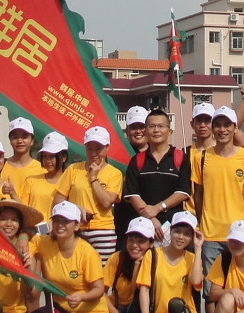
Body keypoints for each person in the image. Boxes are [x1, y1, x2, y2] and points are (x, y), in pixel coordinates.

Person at [22, 201, 110, 313]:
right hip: (61, 311)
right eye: (57, 221)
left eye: (66, 221)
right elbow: (30, 237)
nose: (60, 225)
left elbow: (98, 290)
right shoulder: (45, 243)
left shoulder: (87, 252)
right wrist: (23, 238)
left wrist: (82, 297)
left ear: (76, 226)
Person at [192, 103, 244, 313]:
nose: (223, 130)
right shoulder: (203, 157)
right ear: (212, 128)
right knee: (211, 291)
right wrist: (202, 222)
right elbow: (198, 194)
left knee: (238, 286)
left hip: (238, 235)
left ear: (235, 127)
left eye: (228, 125)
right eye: (218, 125)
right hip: (210, 233)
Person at [136, 211, 204, 313]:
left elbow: (196, 282)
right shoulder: (152, 255)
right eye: (178, 232)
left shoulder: (191, 258)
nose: (181, 237)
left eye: (187, 234)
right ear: (170, 232)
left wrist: (198, 249)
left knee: (175, 304)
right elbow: (144, 290)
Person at [58, 126, 123, 262]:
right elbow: (58, 200)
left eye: (98, 148)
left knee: (102, 273)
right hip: (76, 229)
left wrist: (93, 177)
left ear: (107, 148)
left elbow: (106, 202)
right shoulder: (73, 169)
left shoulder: (114, 173)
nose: (93, 152)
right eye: (89, 148)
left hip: (103, 231)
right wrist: (77, 209)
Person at [123, 108, 191, 238]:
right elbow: (132, 194)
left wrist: (158, 208)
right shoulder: (137, 160)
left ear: (169, 131)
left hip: (173, 227)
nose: (156, 130)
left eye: (160, 126)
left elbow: (183, 192)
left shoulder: (180, 157)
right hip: (143, 226)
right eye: (151, 126)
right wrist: (150, 218)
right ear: (146, 131)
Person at [104, 216, 155, 313]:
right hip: (120, 309)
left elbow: (137, 291)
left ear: (151, 243)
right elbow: (101, 292)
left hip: (144, 311)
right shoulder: (117, 259)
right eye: (131, 240)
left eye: (141, 241)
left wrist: (139, 264)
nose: (135, 245)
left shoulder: (155, 261)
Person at [112, 106, 149, 242]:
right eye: (134, 127)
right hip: (125, 222)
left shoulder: (158, 155)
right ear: (127, 131)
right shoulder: (116, 156)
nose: (138, 131)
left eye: (142, 126)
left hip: (152, 221)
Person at [22, 132, 68, 220]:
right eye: (45, 156)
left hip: (57, 232)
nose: (47, 160)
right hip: (33, 232)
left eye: (52, 156)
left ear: (64, 157)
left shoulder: (70, 182)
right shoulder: (31, 181)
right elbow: (23, 209)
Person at [1, 118, 44, 200]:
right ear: (10, 140)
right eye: (15, 137)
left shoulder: (41, 169)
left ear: (32, 141)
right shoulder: (0, 167)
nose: (20, 141)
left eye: (24, 137)